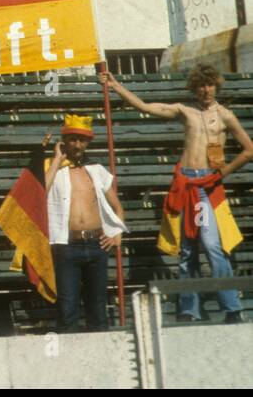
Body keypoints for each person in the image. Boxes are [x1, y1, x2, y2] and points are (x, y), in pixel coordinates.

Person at [103, 66, 247, 322]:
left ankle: (232, 308)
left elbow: (249, 149)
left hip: (206, 188)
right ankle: (188, 310)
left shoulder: (226, 116)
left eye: (210, 84)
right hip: (184, 184)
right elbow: (146, 107)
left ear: (217, 86)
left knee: (213, 245)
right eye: (201, 85)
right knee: (187, 250)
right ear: (195, 88)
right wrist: (116, 87)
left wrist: (221, 174)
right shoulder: (185, 111)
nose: (206, 90)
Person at [37, 115, 127, 332]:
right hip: (66, 246)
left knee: (98, 308)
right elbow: (40, 193)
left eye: (82, 140)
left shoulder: (96, 169)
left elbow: (118, 207)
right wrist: (57, 160)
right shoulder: (50, 167)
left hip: (97, 245)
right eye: (73, 139)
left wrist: (116, 234)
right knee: (67, 308)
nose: (78, 145)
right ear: (64, 140)